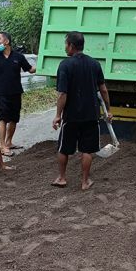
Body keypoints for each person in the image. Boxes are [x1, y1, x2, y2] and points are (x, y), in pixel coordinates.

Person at [51, 31, 112, 191]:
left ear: (71, 45)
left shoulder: (65, 65)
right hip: (91, 114)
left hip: (71, 116)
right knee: (87, 149)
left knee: (64, 147)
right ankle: (85, 181)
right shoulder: (95, 64)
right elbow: (104, 90)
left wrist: (58, 115)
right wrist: (108, 110)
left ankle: (62, 178)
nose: (65, 47)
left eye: (66, 44)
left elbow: (62, 94)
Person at [0, 31, 36, 157]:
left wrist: (44, 63)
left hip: (16, 92)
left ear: (6, 41)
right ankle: (2, 146)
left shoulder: (18, 57)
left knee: (14, 119)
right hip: (2, 93)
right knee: (3, 119)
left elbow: (30, 69)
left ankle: (8, 142)